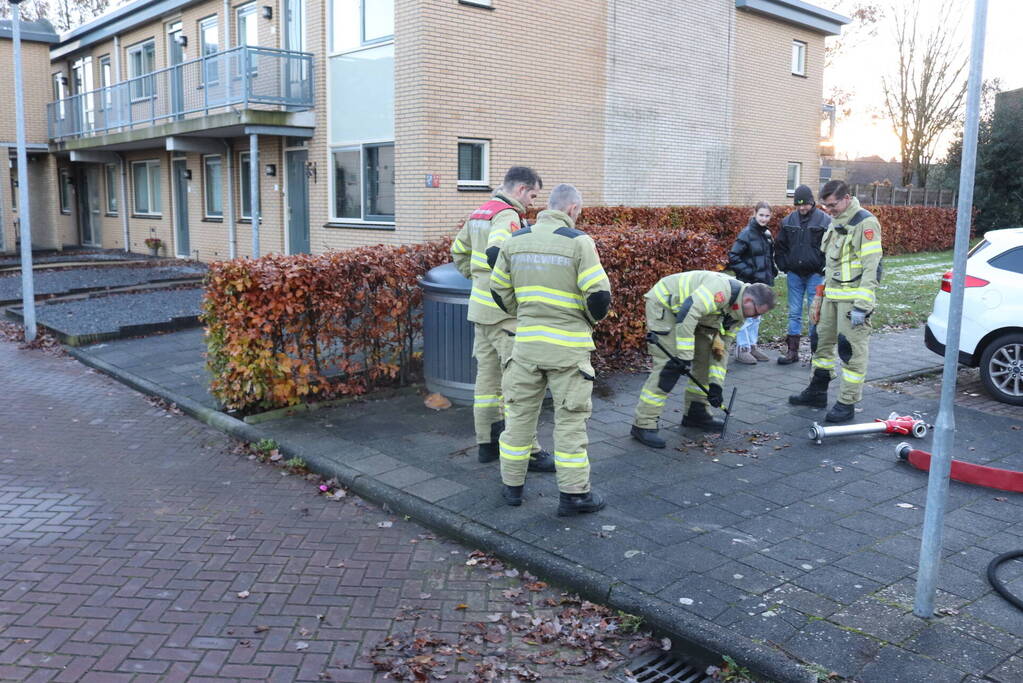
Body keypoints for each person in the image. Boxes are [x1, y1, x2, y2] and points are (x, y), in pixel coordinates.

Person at [489, 184, 612, 516]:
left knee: (518, 419)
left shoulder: (515, 240)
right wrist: (586, 321)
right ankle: (574, 496)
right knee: (570, 422)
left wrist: (524, 313)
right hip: (568, 352)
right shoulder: (579, 242)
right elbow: (599, 296)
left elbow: (498, 289)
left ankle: (512, 488)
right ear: (572, 209)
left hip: (525, 347)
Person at [451, 167, 554, 472]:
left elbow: (458, 252)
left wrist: (479, 279)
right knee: (520, 385)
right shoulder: (507, 215)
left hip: (480, 311)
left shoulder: (479, 212)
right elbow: (497, 251)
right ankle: (528, 452)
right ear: (521, 189)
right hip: (504, 316)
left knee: (487, 382)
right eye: (533, 195)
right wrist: (511, 289)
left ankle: (487, 444)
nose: (533, 202)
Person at [630, 271, 776, 448]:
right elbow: (688, 313)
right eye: (756, 313)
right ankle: (643, 424)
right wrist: (683, 356)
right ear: (747, 301)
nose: (755, 318)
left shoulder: (738, 314)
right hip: (666, 306)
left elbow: (720, 349)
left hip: (697, 317)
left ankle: (696, 412)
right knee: (669, 367)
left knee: (706, 360)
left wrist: (716, 385)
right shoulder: (720, 290)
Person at [789, 180, 883, 423]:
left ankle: (847, 402)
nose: (829, 211)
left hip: (853, 302)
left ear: (847, 198)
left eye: (833, 205)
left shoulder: (865, 223)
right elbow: (831, 265)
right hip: (831, 297)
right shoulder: (836, 221)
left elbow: (872, 268)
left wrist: (863, 305)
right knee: (821, 344)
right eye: (826, 206)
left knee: (850, 350)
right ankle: (817, 391)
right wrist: (820, 297)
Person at [774, 185, 831, 365]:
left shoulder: (825, 221)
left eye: (805, 204)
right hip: (794, 275)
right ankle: (792, 352)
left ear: (812, 202)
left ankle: (816, 353)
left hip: (815, 275)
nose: (801, 208)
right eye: (798, 204)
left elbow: (831, 247)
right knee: (794, 313)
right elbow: (780, 246)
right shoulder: (788, 221)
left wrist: (823, 267)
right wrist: (784, 265)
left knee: (815, 314)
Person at [727, 202, 778, 364]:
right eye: (761, 215)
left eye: (767, 216)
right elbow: (733, 257)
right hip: (748, 283)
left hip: (763, 283)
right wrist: (750, 273)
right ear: (755, 214)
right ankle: (742, 349)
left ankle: (752, 346)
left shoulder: (767, 234)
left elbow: (768, 257)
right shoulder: (746, 233)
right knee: (746, 317)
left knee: (757, 317)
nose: (764, 218)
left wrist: (772, 271)